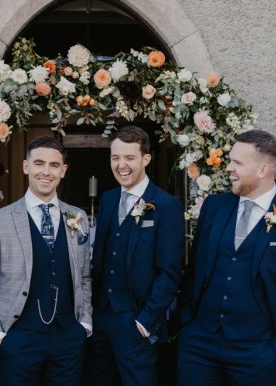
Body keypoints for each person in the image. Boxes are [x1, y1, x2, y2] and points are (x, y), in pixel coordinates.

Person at [177, 129, 276, 386]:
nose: (228, 168)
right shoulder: (214, 207)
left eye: (237, 162)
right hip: (199, 347)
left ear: (263, 170)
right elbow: (194, 270)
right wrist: (186, 325)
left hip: (259, 353)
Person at [0, 136, 92, 386]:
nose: (46, 172)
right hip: (17, 340)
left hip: (68, 339)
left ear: (64, 171)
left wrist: (85, 324)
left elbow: (85, 276)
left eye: (54, 165)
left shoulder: (77, 216)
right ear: (26, 167)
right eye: (39, 163)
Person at [84, 125, 186, 386]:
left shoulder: (165, 206)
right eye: (115, 157)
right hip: (100, 319)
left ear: (146, 159)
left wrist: (145, 322)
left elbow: (170, 272)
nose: (121, 165)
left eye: (129, 157)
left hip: (136, 321)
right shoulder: (107, 200)